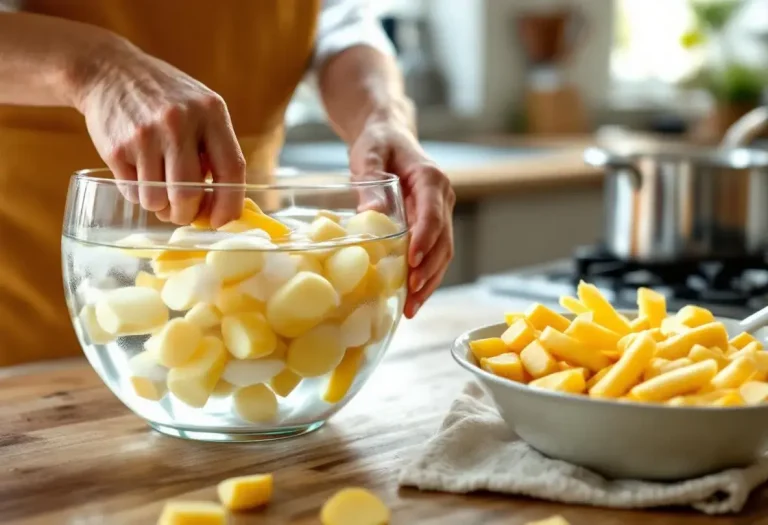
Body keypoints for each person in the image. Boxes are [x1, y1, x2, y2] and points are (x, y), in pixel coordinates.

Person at [0, 0, 455, 366]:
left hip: (243, 292)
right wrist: (99, 69)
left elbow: (338, 20)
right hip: (24, 321)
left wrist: (382, 117)